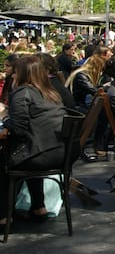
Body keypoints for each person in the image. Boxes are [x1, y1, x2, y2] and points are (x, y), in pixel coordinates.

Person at [0, 55, 70, 225]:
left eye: (15, 72)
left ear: (23, 74)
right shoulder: (51, 92)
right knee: (29, 152)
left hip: (39, 155)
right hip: (60, 153)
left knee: (3, 161)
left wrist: (4, 118)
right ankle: (39, 207)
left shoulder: (22, 92)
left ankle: (3, 215)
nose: (13, 76)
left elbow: (18, 129)